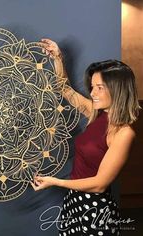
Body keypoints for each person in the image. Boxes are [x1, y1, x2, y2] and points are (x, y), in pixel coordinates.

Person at [31, 39, 141, 235]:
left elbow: (99, 185)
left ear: (117, 90)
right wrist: (57, 58)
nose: (93, 93)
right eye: (92, 87)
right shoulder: (96, 113)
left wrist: (56, 182)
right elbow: (65, 90)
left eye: (100, 88)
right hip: (74, 200)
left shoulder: (124, 133)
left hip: (95, 210)